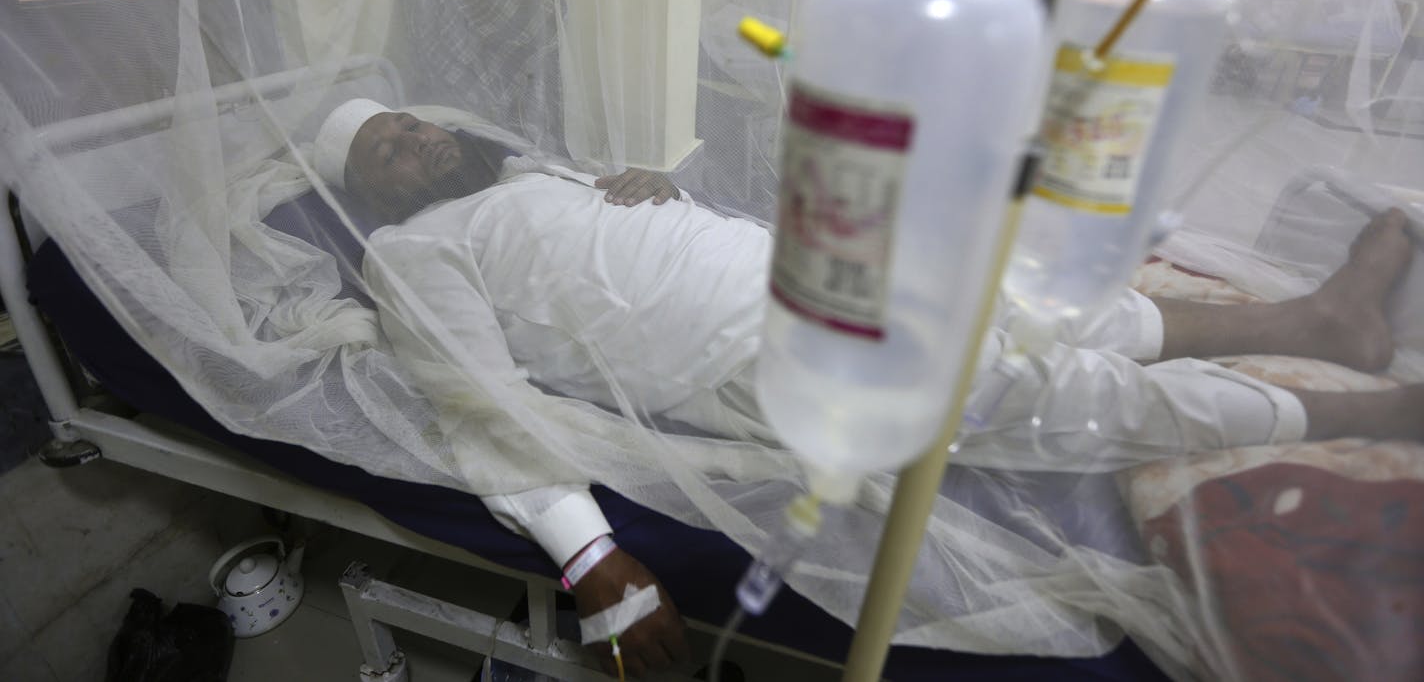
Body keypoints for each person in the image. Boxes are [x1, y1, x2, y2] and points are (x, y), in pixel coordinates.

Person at [313, 98, 1422, 678]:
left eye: (413, 125)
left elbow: (606, 254)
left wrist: (656, 186)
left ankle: (1303, 322)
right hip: (756, 354)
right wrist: (590, 556)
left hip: (793, 272)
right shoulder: (407, 258)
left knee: (1012, 299)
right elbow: (477, 399)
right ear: (368, 202)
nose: (419, 143)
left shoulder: (527, 171)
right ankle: (1344, 407)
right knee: (1023, 382)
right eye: (387, 156)